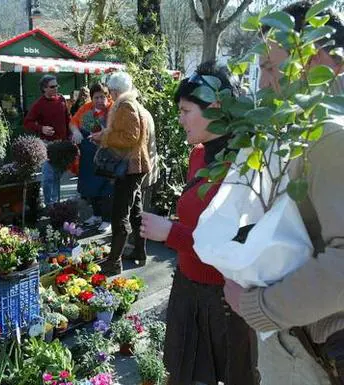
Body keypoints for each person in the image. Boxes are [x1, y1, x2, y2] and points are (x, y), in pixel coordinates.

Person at [221, 3, 344, 385]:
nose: (261, 84)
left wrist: (256, 306)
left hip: (316, 350)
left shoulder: (330, 137)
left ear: (319, 59)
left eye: (270, 67)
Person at [138, 62, 259, 385]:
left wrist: (171, 233)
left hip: (224, 300)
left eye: (186, 110)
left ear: (216, 107)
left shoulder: (244, 166)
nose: (180, 119)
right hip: (187, 289)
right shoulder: (199, 156)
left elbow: (238, 245)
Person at [94, 72, 151, 274]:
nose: (108, 95)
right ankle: (139, 253)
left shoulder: (125, 105)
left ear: (116, 90)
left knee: (120, 214)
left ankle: (114, 262)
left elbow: (130, 137)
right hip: (135, 165)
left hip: (129, 167)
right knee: (134, 212)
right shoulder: (131, 103)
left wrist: (105, 136)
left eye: (110, 91)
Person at [70, 83, 113, 233]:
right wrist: (75, 132)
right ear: (92, 98)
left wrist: (102, 133)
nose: (100, 100)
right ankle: (96, 215)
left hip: (107, 154)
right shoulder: (86, 108)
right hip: (89, 155)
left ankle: (107, 220)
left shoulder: (113, 109)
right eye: (96, 97)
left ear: (108, 96)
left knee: (106, 189)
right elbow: (73, 122)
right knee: (90, 185)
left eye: (103, 97)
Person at [24, 75, 71, 205]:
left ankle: (56, 203)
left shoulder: (61, 99)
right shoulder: (39, 104)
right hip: (47, 145)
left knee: (57, 176)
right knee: (48, 176)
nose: (56, 88)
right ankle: (49, 203)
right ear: (44, 88)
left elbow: (68, 119)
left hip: (61, 144)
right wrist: (41, 128)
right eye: (52, 86)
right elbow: (27, 122)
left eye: (57, 85)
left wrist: (70, 135)